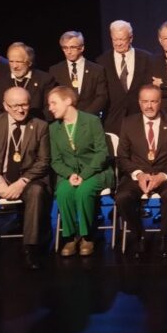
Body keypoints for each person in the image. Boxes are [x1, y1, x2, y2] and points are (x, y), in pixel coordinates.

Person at [0, 87, 51, 270]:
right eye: (15, 106)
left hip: (28, 180)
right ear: (5, 106)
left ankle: (31, 247)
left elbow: (43, 161)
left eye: (24, 105)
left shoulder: (40, 126)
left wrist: (22, 182)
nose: (20, 110)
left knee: (37, 192)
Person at [115, 84, 167, 257]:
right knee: (122, 197)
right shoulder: (128, 123)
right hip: (137, 175)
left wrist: (162, 176)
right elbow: (122, 158)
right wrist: (139, 174)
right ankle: (139, 234)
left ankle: (164, 236)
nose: (149, 106)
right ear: (139, 103)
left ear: (160, 102)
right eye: (145, 101)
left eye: (153, 101)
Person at [48, 86, 114, 257]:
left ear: (68, 101)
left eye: (54, 103)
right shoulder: (53, 128)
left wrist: (84, 175)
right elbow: (55, 160)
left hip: (95, 171)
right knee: (63, 192)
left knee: (84, 192)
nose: (50, 108)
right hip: (69, 174)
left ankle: (87, 236)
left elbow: (102, 153)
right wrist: (70, 175)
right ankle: (70, 237)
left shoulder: (91, 121)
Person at [97, 20, 151, 135]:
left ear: (130, 38)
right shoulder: (102, 61)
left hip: (140, 119)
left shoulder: (146, 58)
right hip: (112, 121)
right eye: (114, 39)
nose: (118, 43)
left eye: (121, 39)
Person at [49, 30, 108, 116]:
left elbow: (102, 97)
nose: (68, 52)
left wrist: (83, 117)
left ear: (82, 48)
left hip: (89, 120)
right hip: (65, 120)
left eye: (72, 47)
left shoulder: (97, 70)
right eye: (65, 48)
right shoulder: (55, 70)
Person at [0, 42, 55, 121]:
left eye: (18, 62)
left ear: (29, 63)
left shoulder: (45, 79)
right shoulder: (1, 82)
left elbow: (49, 110)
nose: (14, 66)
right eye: (11, 61)